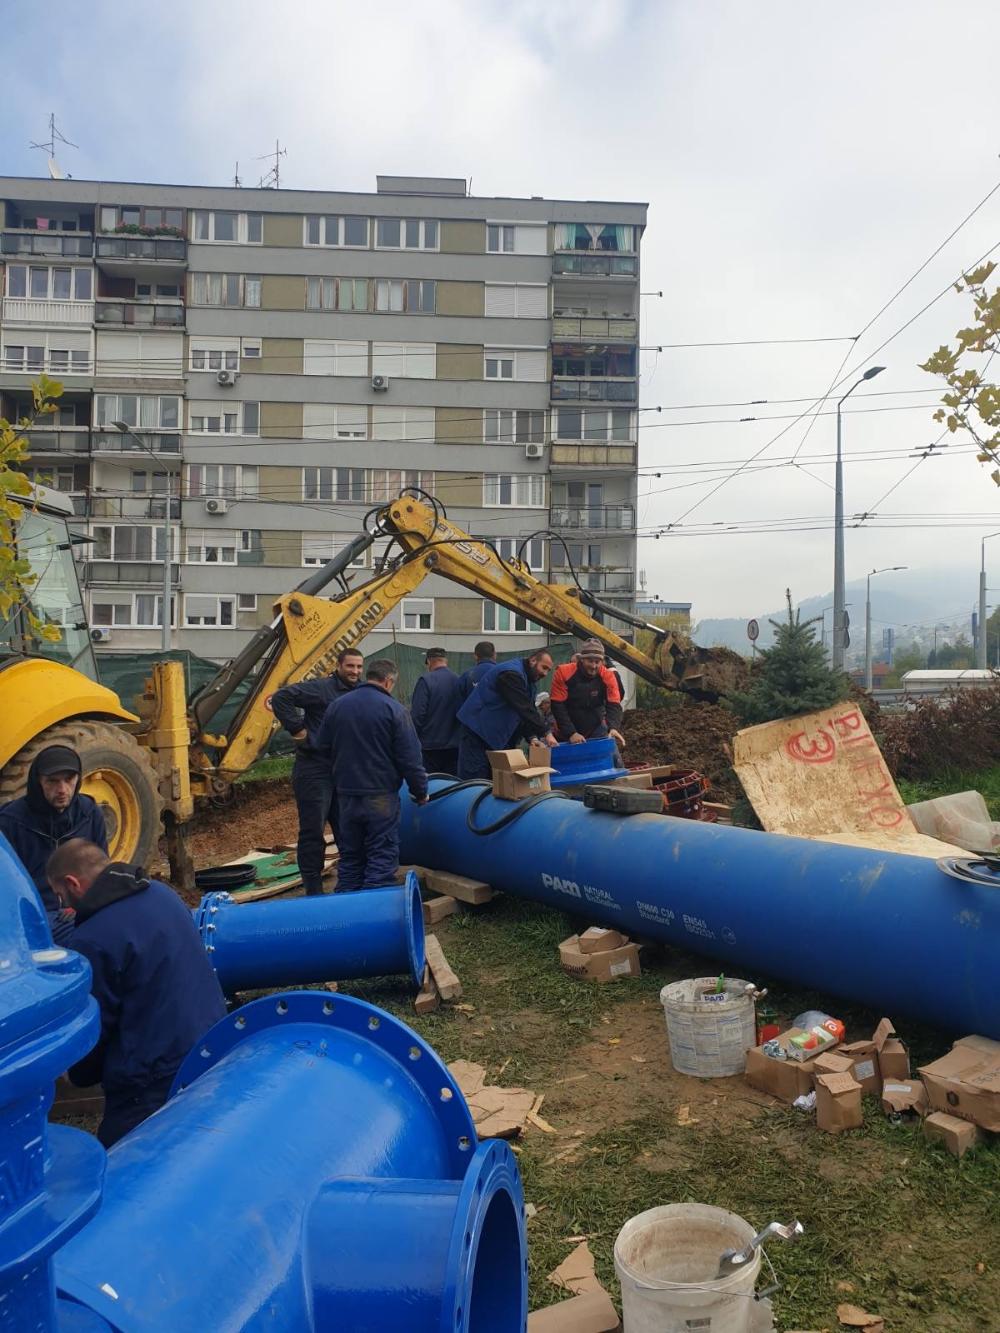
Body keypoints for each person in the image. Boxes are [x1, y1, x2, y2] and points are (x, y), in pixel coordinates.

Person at [46, 838, 227, 1147]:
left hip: (153, 1079)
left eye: (61, 897)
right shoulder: (161, 894)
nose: (65, 908)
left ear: (72, 883)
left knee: (123, 1163)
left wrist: (74, 1072)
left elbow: (96, 1024)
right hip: (211, 1043)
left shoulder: (92, 939)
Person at [316, 659, 428, 892]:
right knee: (381, 856)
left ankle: (346, 911)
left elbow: (322, 747)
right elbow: (410, 758)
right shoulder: (394, 710)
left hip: (346, 795)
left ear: (368, 676)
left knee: (351, 856)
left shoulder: (337, 706)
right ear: (388, 682)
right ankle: (374, 910)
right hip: (379, 796)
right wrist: (420, 791)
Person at [271, 648, 363, 894]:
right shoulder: (321, 689)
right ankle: (313, 891)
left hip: (343, 772)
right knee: (313, 831)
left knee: (347, 829)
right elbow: (280, 697)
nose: (355, 671)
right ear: (339, 666)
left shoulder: (361, 692)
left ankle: (348, 885)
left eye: (359, 667)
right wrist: (299, 731)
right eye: (350, 666)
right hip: (315, 770)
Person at [0, 744, 107, 944]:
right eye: (52, 781)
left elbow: (103, 872)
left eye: (69, 780)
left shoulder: (90, 813)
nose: (62, 790)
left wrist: (83, 905)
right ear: (37, 781)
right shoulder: (10, 821)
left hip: (81, 909)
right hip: (34, 913)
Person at [456, 649, 557, 780]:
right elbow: (523, 708)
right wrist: (546, 732)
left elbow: (524, 711)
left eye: (548, 670)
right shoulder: (511, 674)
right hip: (477, 732)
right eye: (544, 667)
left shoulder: (528, 681)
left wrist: (532, 738)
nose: (545, 673)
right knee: (474, 778)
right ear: (533, 661)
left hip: (495, 735)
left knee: (496, 779)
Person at [550, 639, 626, 749]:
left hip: (596, 728)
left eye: (597, 662)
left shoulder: (608, 676)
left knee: (612, 758)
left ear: (602, 661)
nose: (594, 666)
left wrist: (613, 727)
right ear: (581, 660)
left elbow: (614, 704)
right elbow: (557, 706)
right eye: (590, 661)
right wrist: (571, 733)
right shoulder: (563, 672)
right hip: (565, 730)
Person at [410, 647, 463, 776]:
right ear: (446, 661)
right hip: (455, 747)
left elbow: (417, 715)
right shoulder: (459, 680)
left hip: (429, 747)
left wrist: (411, 739)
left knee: (431, 787)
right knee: (452, 787)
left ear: (428, 661)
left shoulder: (426, 681)